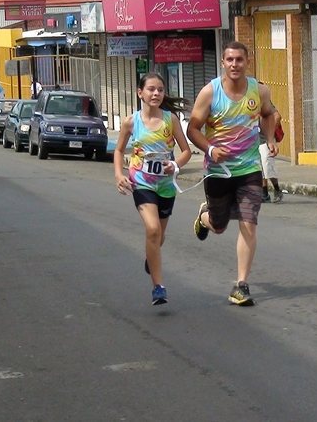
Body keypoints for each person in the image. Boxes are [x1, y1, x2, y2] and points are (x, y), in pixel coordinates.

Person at [187, 41, 278, 307]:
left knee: (249, 223)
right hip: (219, 171)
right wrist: (210, 149)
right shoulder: (210, 92)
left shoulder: (259, 90)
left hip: (250, 169)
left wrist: (270, 138)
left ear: (247, 62)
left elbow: (269, 114)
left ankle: (241, 285)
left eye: (239, 59)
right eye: (230, 60)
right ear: (223, 63)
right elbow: (193, 129)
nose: (234, 64)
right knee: (219, 225)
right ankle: (204, 217)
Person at [114, 73, 191, 305]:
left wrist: (175, 165)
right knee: (153, 229)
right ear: (140, 93)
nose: (156, 93)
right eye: (151, 89)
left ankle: (151, 255)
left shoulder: (170, 120)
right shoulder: (131, 122)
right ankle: (158, 287)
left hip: (166, 185)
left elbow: (186, 151)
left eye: (160, 89)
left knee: (159, 236)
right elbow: (119, 150)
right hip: (142, 182)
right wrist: (119, 174)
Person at [260, 106, 283, 203]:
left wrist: (270, 132)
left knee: (267, 166)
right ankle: (264, 193)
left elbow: (277, 116)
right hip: (254, 140)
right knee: (259, 167)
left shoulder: (265, 103)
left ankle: (277, 189)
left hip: (266, 140)